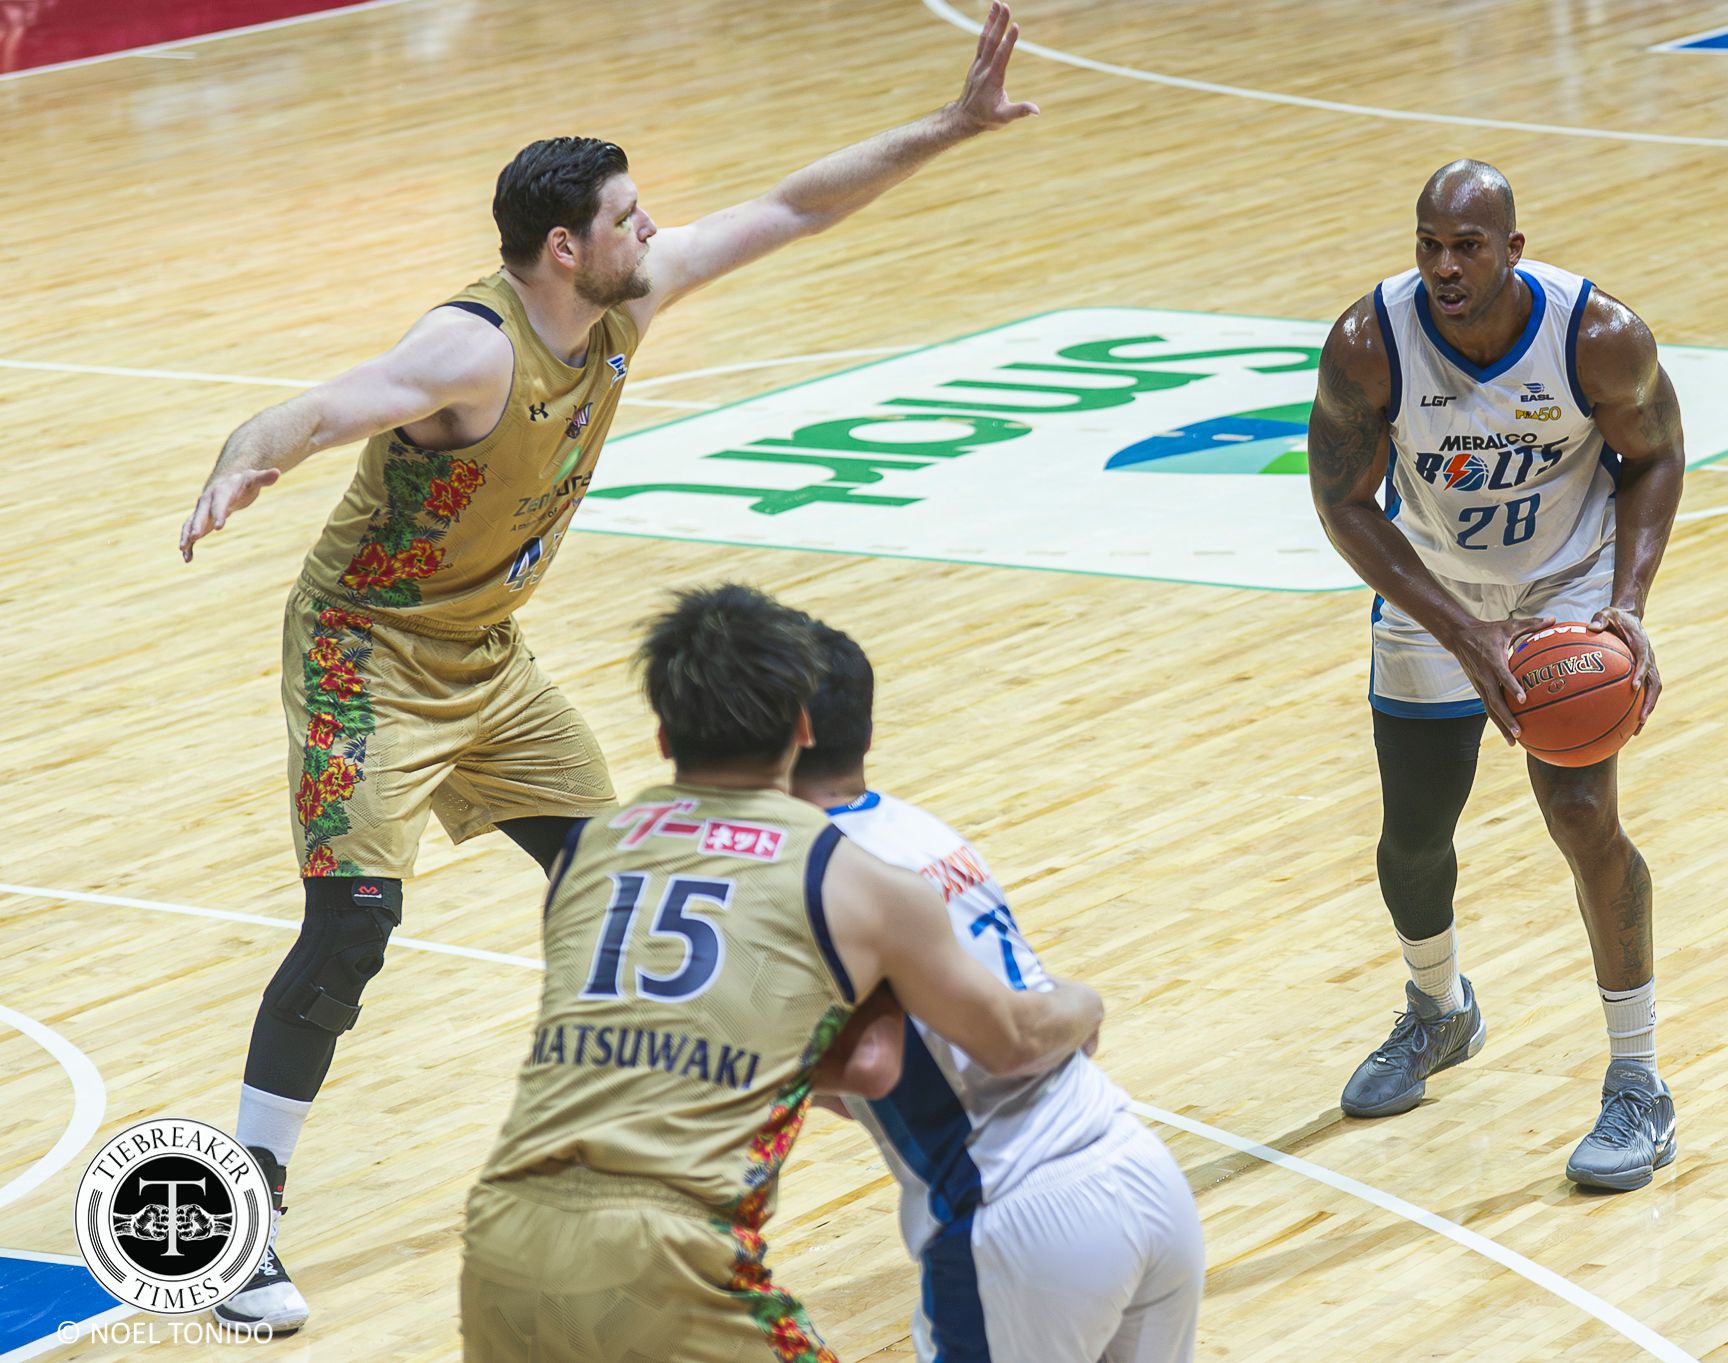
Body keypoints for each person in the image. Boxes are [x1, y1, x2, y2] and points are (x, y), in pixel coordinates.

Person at [174, 3, 1044, 1331]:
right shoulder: (476, 347)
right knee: (353, 926)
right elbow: (331, 403)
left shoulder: (624, 302)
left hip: (486, 653)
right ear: (566, 249)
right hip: (368, 654)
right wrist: (249, 453)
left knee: (620, 881)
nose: (656, 229)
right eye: (631, 217)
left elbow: (793, 207)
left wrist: (951, 123)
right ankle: (239, 1227)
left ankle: (655, 1139)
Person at [460, 583, 1104, 1363]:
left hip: (501, 1234)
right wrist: (1083, 1002)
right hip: (670, 1249)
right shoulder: (843, 869)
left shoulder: (583, 851)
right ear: (803, 727)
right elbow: (891, 1063)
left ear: (662, 735)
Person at [1306, 160, 1685, 1190]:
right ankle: (1438, 1009)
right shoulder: (1369, 343)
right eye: (1428, 245)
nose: (1444, 266)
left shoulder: (1596, 337)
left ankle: (1638, 1081)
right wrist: (1462, 630)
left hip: (1566, 588)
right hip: (1435, 592)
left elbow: (1654, 456)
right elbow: (1341, 503)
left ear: (1511, 249)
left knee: (1582, 815)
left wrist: (1628, 601)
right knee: (1413, 837)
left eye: (1466, 247)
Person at [788, 623, 1203, 1363]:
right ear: (867, 731)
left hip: (1016, 1220)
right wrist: (1082, 1004)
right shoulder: (919, 830)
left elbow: (1002, 1045)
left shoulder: (810, 875)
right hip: (1138, 1168)